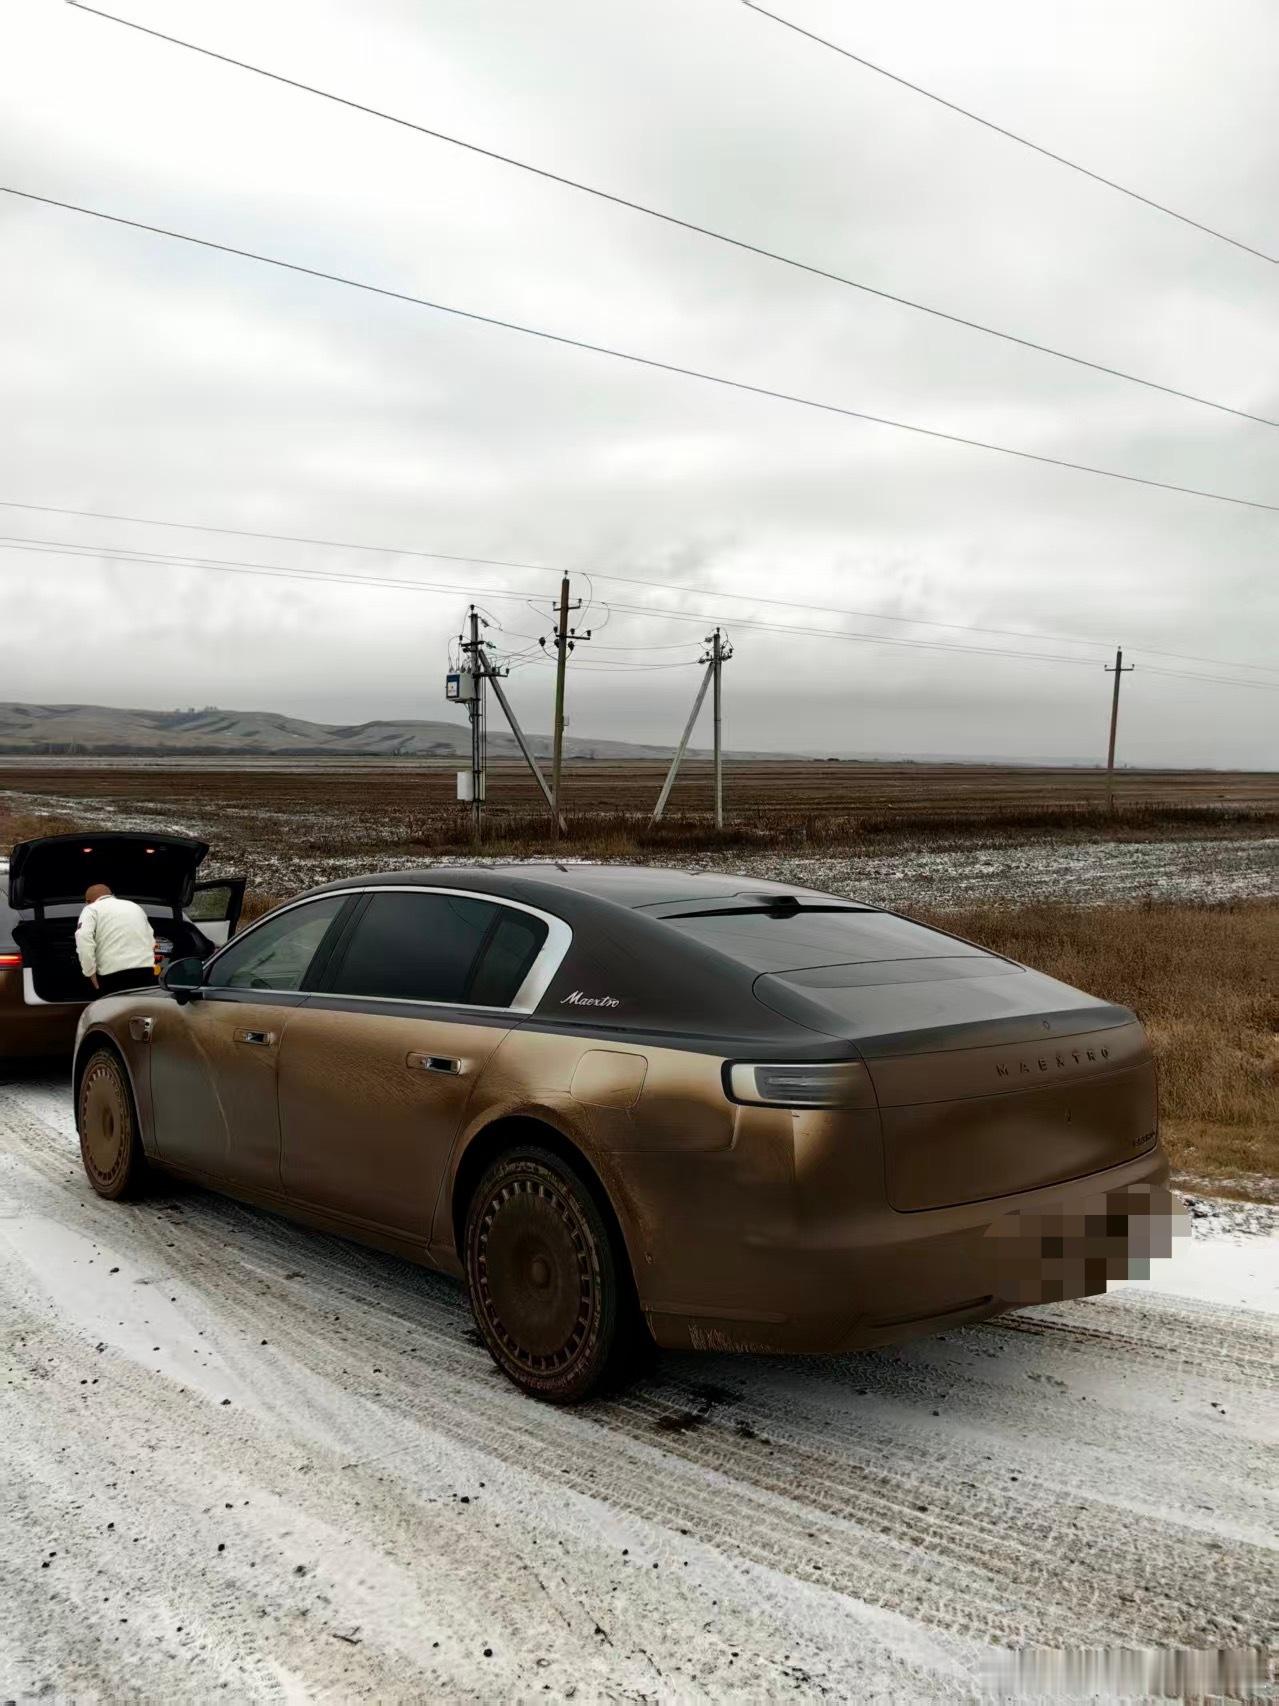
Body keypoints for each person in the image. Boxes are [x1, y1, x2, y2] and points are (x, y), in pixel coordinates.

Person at [75, 884, 156, 996]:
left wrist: (90, 972)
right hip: (145, 971)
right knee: (142, 1009)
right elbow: (151, 939)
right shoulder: (134, 906)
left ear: (88, 901)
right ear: (111, 895)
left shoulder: (91, 909)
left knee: (118, 1011)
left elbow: (83, 938)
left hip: (114, 975)